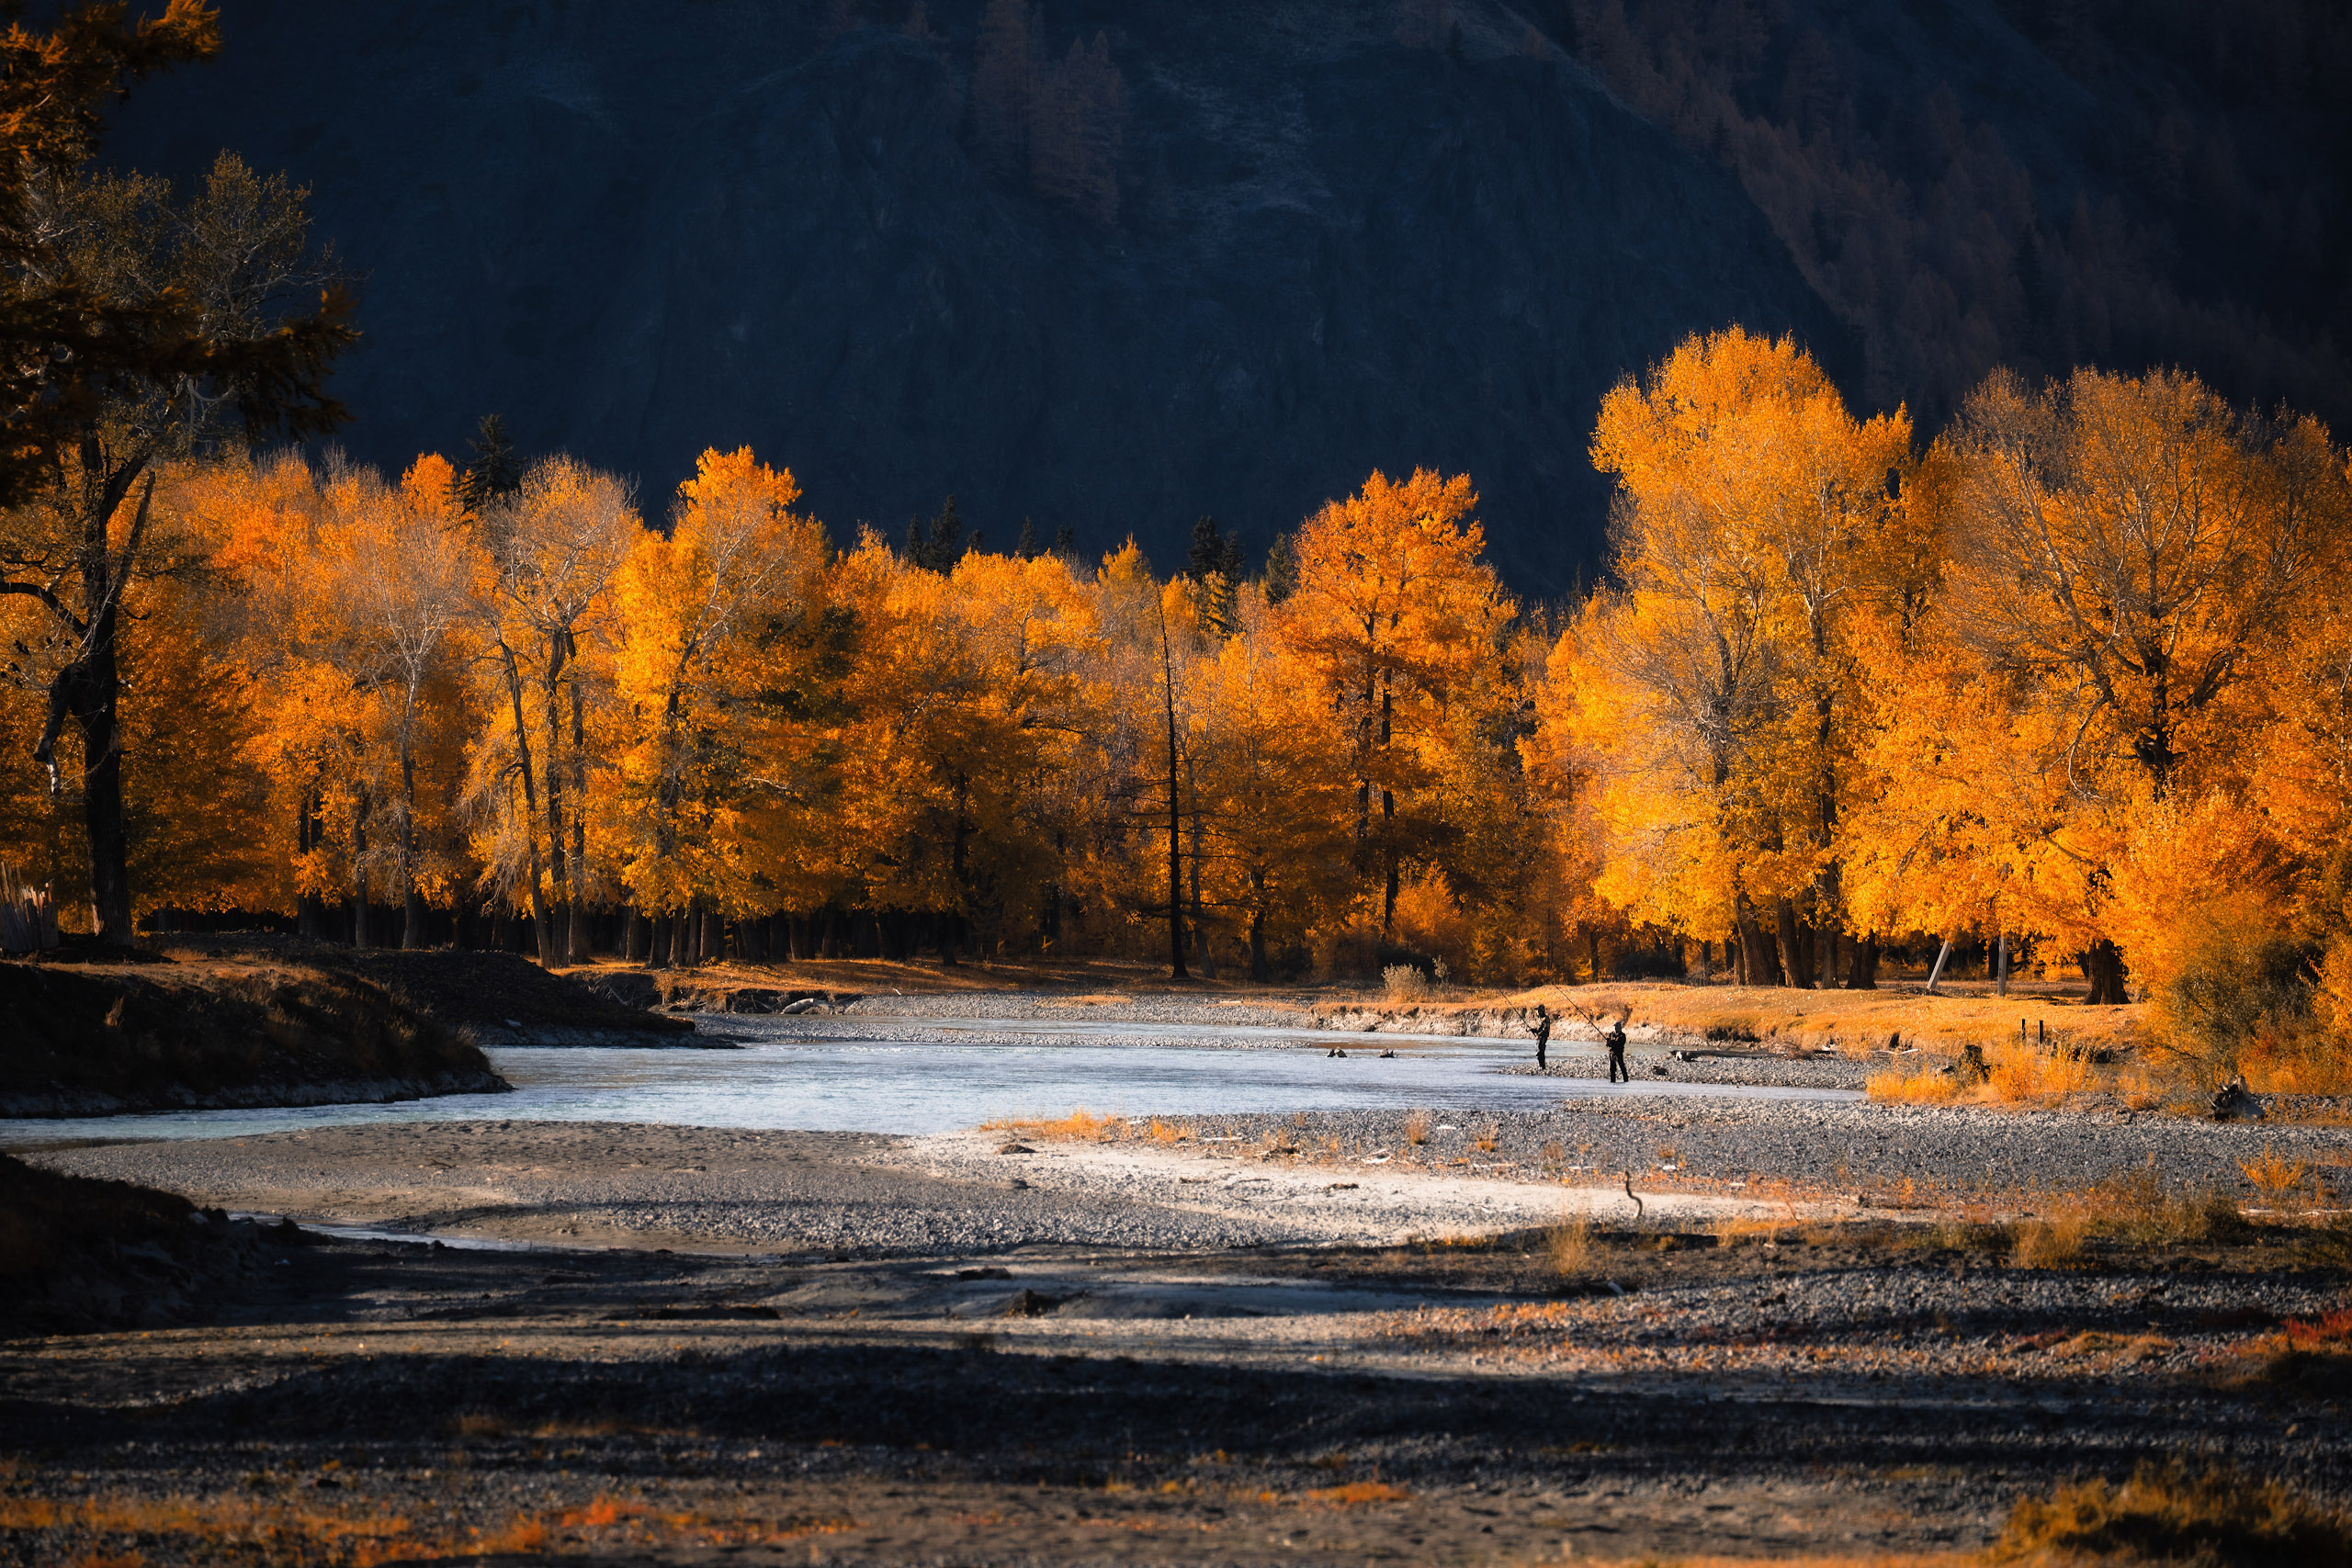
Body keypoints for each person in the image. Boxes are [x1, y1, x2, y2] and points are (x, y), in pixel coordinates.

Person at [1605, 1017, 1629, 1083]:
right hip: (1611, 1053)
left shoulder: (1622, 1036)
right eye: (1615, 1027)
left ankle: (1626, 1080)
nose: (1616, 1028)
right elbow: (1608, 1044)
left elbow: (1619, 1043)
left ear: (1620, 1028)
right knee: (1612, 1068)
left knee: (1622, 1067)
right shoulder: (1611, 1034)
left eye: (1617, 1027)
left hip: (1619, 1053)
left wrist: (1611, 1042)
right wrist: (1607, 1042)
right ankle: (1612, 1081)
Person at [1532, 1003, 1552, 1070]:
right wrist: (1533, 1030)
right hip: (1539, 1037)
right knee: (1539, 1052)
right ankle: (1541, 1066)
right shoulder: (1540, 1019)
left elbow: (1545, 1029)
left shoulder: (1546, 1019)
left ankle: (1542, 1067)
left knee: (1540, 1051)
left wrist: (1539, 1034)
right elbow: (1539, 1029)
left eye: (1538, 1010)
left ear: (1541, 1011)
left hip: (1543, 1037)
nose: (1537, 1012)